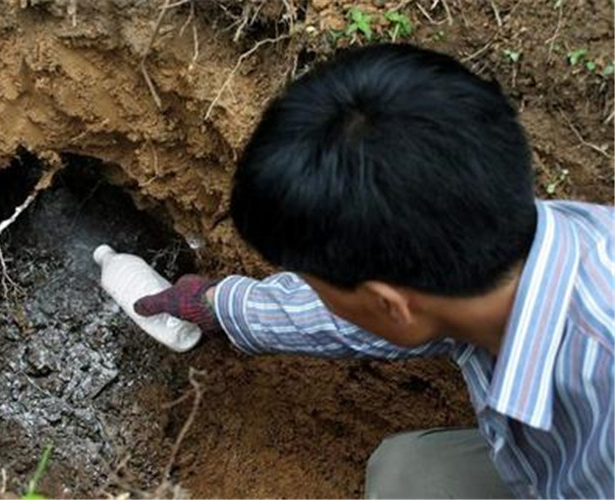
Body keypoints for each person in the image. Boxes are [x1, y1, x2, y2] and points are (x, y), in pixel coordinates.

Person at [133, 44, 614, 499]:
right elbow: (363, 311)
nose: (320, 296)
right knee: (407, 475)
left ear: (390, 305)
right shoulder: (488, 239)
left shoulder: (601, 379)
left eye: (318, 286)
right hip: (544, 469)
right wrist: (221, 306)